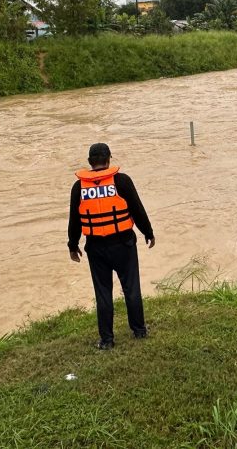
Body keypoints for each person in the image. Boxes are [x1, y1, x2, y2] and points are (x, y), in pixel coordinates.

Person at [68, 143, 155, 350]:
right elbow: (137, 209)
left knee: (103, 293)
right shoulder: (121, 181)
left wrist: (73, 245)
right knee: (131, 288)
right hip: (124, 244)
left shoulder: (79, 187)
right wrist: (148, 232)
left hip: (96, 248)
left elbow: (75, 220)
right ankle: (139, 330)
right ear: (109, 160)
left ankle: (107, 340)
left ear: (90, 162)